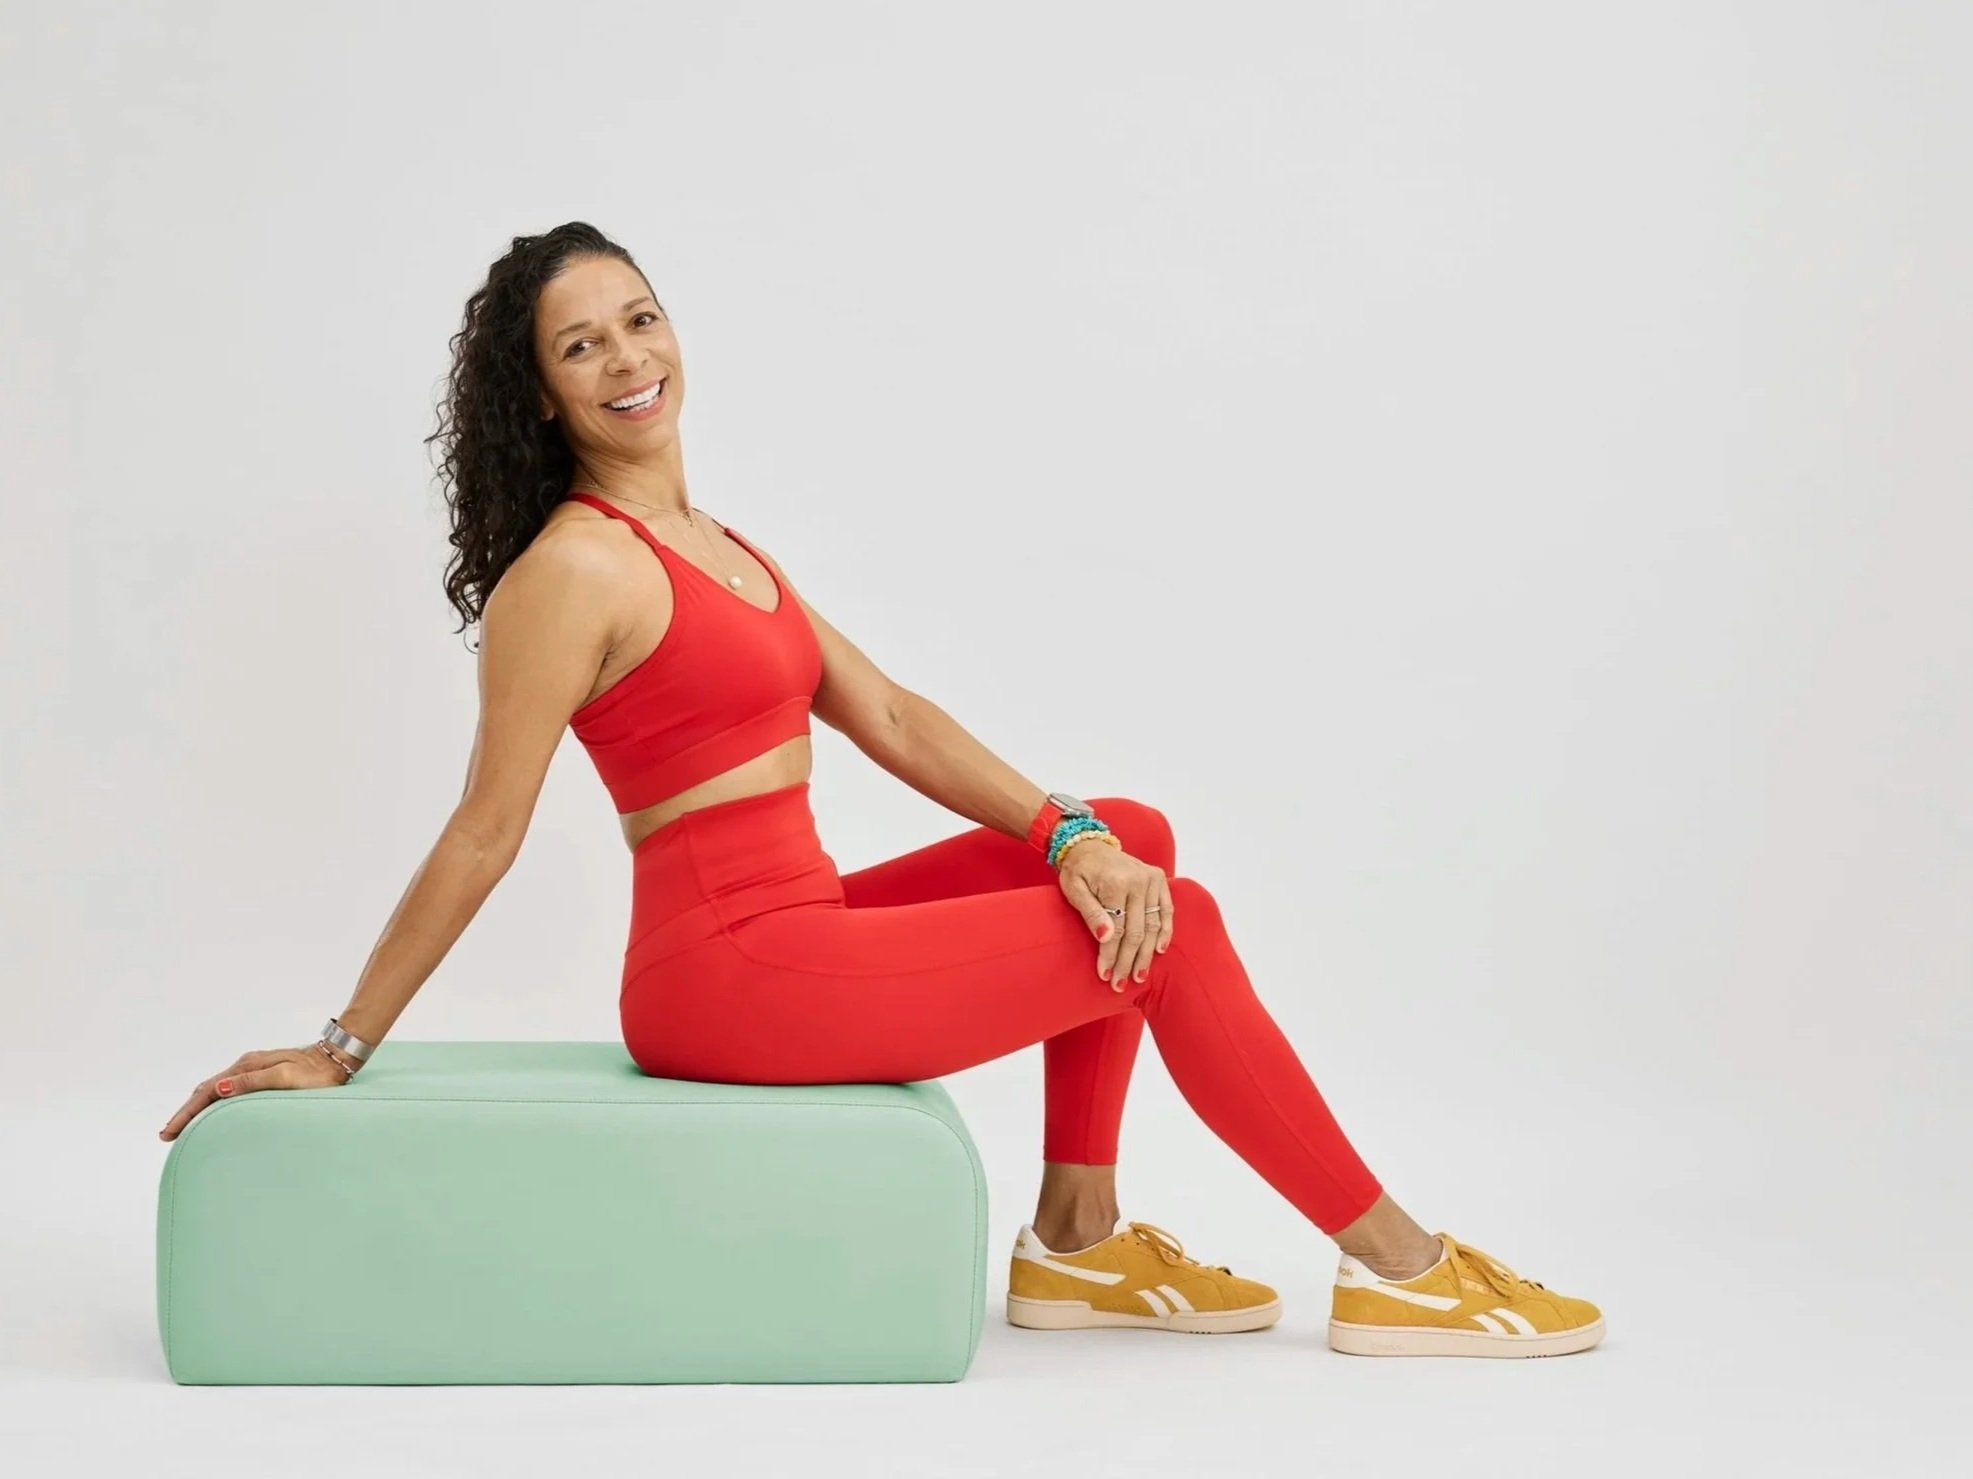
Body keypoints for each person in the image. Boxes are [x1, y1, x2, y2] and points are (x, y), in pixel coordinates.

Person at [159, 222, 1604, 1358]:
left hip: (804, 927)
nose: (625, 361)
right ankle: (1403, 1268)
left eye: (640, 320)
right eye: (580, 347)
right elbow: (486, 828)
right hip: (727, 976)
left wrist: (1075, 833)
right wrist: (342, 1044)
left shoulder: (716, 542)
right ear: (541, 394)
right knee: (1185, 928)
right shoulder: (577, 567)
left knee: (1133, 844)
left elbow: (894, 719)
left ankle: (1077, 1239)